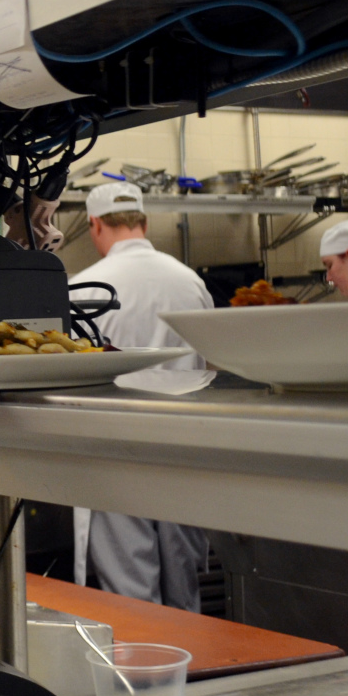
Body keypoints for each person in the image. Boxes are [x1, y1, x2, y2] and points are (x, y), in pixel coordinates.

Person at [66, 181, 212, 611]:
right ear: (144, 223)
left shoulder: (86, 286)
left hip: (114, 454)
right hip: (184, 451)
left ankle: (144, 677)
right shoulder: (190, 282)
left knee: (132, 595)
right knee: (183, 589)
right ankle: (198, 673)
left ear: (95, 225)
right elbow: (209, 364)